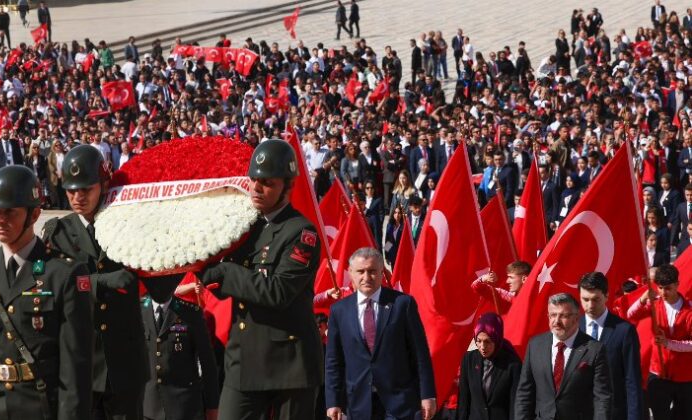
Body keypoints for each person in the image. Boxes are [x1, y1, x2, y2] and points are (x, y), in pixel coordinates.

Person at [0, 165, 93, 419]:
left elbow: (76, 369)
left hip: (39, 407)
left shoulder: (63, 274)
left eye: (10, 212)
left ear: (34, 214)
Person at [198, 139, 323, 420]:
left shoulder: (302, 232)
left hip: (289, 365)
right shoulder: (243, 226)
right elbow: (217, 282)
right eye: (254, 180)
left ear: (287, 186)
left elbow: (277, 292)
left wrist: (225, 272)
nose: (256, 188)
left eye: (267, 182)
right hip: (243, 358)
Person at [41, 145, 147, 420]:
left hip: (124, 362)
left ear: (104, 184)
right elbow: (51, 289)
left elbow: (142, 277)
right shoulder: (58, 232)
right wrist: (101, 282)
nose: (77, 197)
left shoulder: (129, 225)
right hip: (81, 365)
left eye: (86, 189)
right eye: (71, 190)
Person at [325, 247, 436, 420]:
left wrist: (427, 395)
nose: (366, 277)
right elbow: (333, 360)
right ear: (351, 273)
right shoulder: (339, 310)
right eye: (361, 271)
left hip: (399, 402)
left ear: (382, 272)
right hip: (358, 403)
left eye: (372, 271)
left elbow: (420, 354)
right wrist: (333, 401)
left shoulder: (402, 304)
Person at [514, 293, 611, 419]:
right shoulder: (535, 345)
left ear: (576, 318)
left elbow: (602, 398)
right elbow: (524, 393)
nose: (556, 321)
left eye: (563, 316)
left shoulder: (594, 349)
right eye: (553, 315)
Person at [140, 276, 220, 420]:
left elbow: (208, 363)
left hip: (184, 406)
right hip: (147, 406)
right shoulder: (137, 311)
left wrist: (212, 406)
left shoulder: (191, 313)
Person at [628, 264, 692, 419]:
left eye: (668, 288)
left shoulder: (689, 310)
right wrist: (643, 299)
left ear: (677, 284)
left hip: (684, 376)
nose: (664, 292)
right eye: (661, 288)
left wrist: (668, 343)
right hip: (658, 374)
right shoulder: (654, 304)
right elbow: (631, 315)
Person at [578, 272, 643, 420]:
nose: (590, 305)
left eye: (596, 299)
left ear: (607, 295)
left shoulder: (624, 331)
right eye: (585, 299)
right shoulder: (573, 328)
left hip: (614, 413)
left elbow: (632, 380)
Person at [457, 313, 522, 420]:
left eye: (487, 341)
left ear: (496, 339)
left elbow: (515, 404)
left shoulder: (512, 364)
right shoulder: (469, 360)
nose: (482, 347)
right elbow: (464, 401)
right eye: (479, 341)